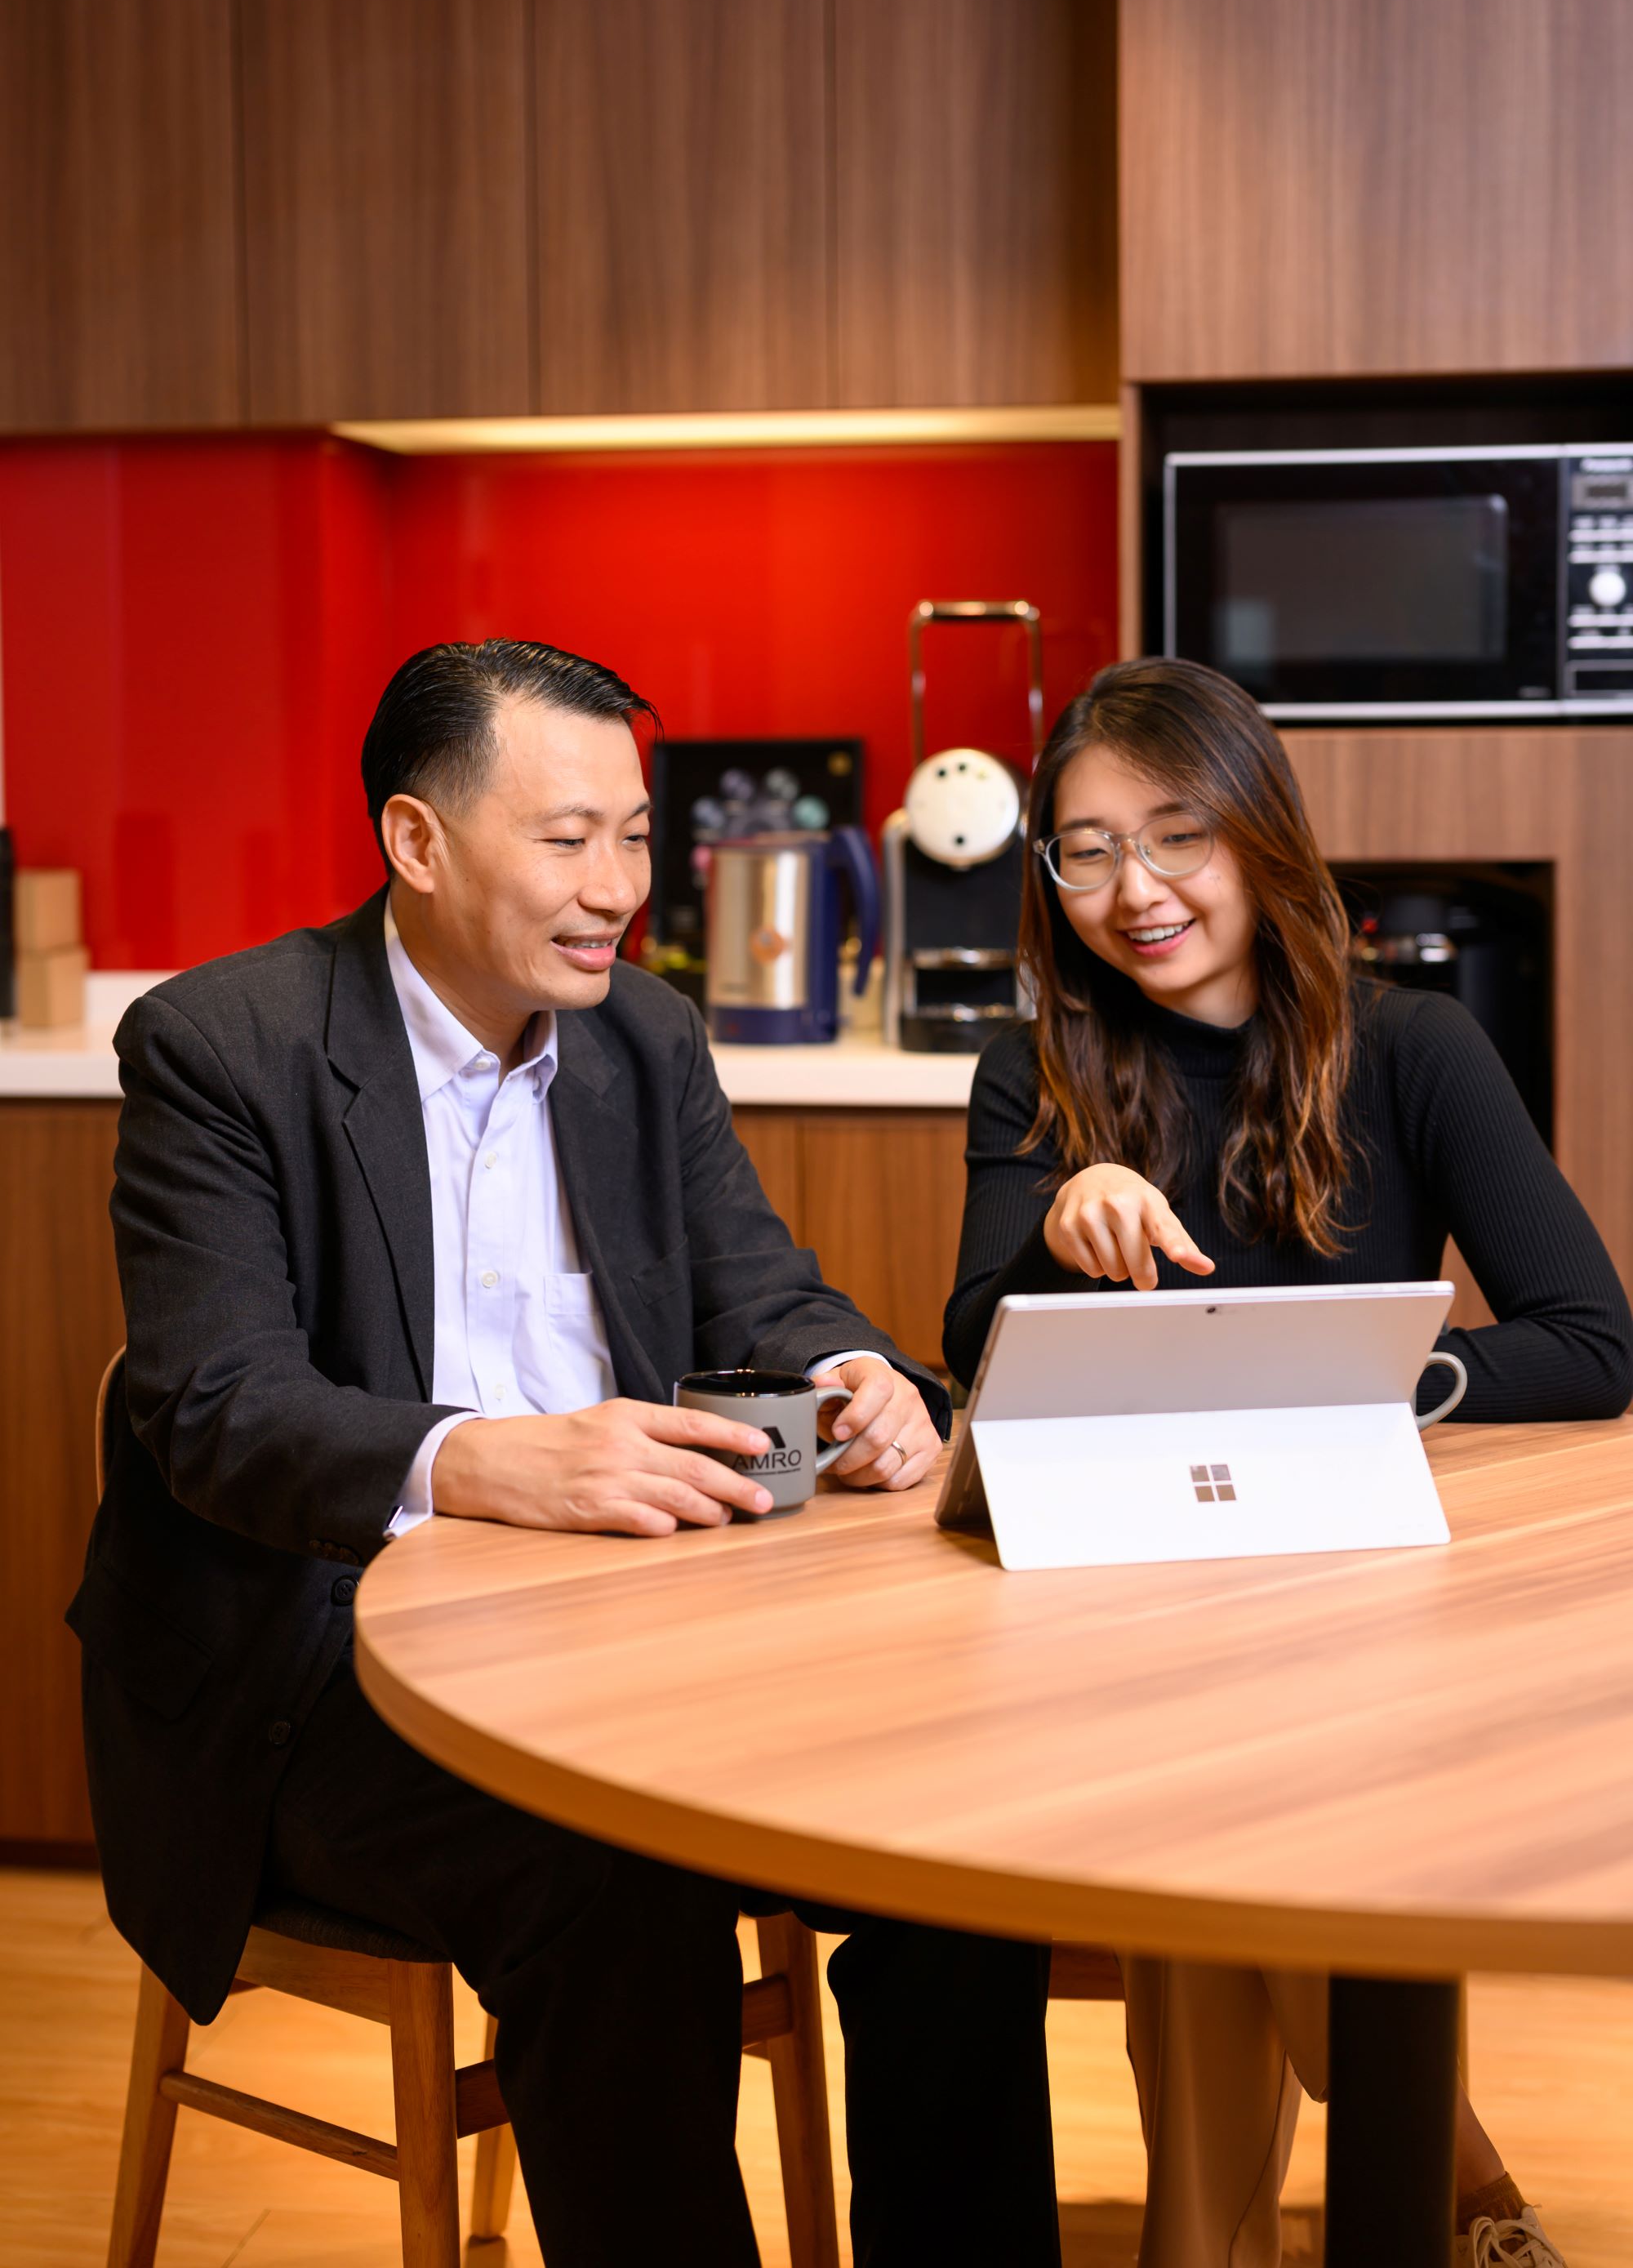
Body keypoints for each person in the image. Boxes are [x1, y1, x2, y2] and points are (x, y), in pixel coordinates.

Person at [73, 639, 1061, 2268]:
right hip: (315, 1678)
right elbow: (215, 1408)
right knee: (619, 1883)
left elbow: (765, 1290)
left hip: (635, 1642)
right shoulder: (224, 1046)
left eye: (637, 835)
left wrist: (862, 1373)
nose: (618, 888)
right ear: (416, 841)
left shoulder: (641, 1036)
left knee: (958, 1834)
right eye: (567, 839)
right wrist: (481, 1461)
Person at [944, 657, 1633, 2268]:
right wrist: (1057, 1233)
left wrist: (1347, 1389)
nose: (1136, 889)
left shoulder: (1413, 1048)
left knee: (1209, 1831)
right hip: (1122, 1616)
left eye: (1176, 834)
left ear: (1259, 832)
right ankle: (1459, 2199)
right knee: (1198, 1803)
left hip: (1363, 1608)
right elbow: (976, 1360)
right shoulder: (1037, 1068)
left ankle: (1234, 2243)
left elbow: (1592, 1342)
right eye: (1088, 849)